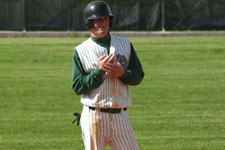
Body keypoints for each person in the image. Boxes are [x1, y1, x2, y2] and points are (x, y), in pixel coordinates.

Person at [71, 1, 144, 150]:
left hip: (121, 117)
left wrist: (122, 73)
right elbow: (78, 86)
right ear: (89, 23)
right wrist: (99, 72)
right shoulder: (81, 51)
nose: (102, 23)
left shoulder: (125, 44)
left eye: (105, 19)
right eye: (97, 20)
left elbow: (138, 75)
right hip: (94, 116)